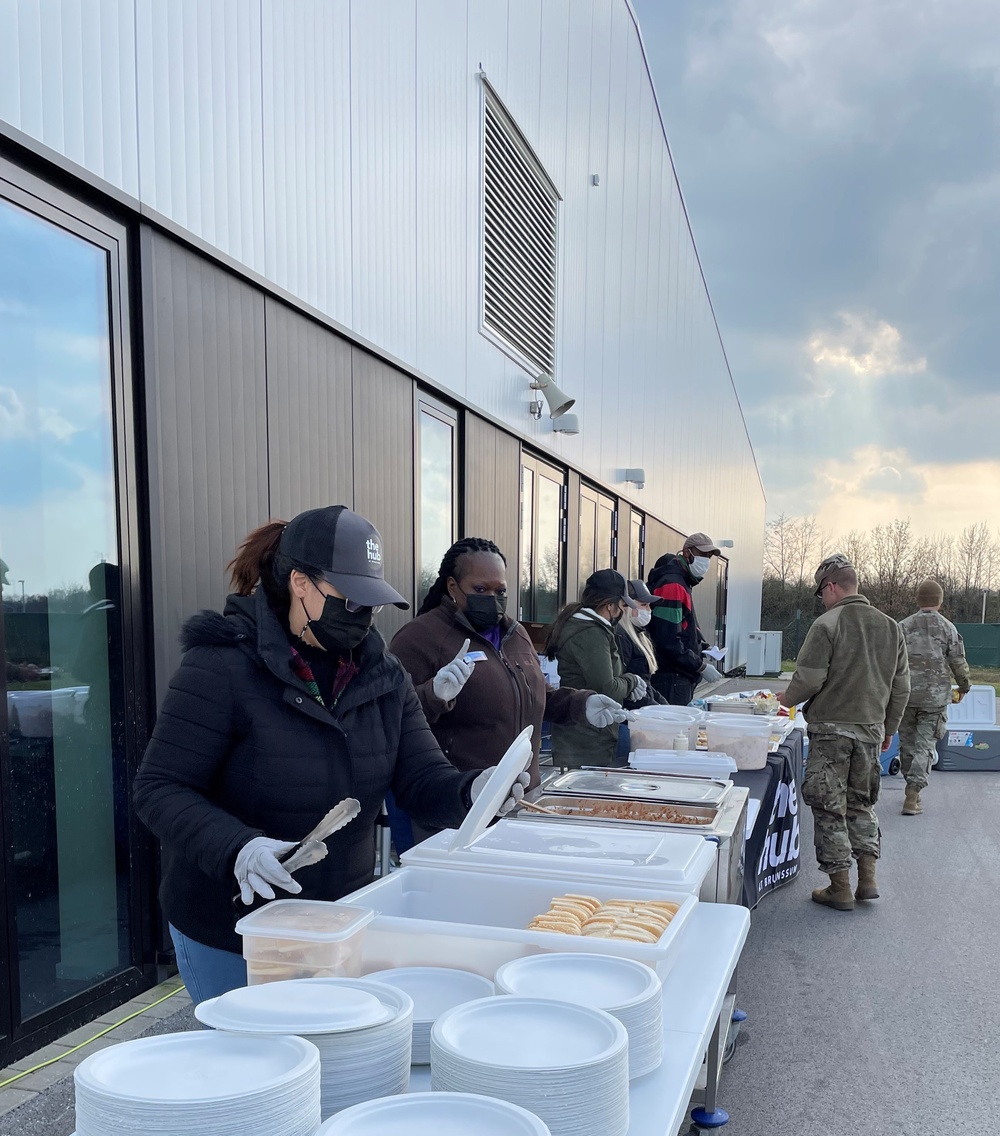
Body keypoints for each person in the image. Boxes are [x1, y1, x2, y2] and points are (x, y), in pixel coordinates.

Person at [133, 507, 528, 1003]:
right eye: (350, 599)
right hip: (233, 927)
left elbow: (422, 780)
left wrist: (473, 790)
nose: (362, 615)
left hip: (337, 917)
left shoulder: (384, 677)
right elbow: (159, 788)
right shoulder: (222, 666)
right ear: (301, 583)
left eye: (372, 602)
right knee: (259, 1064)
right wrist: (239, 847)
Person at [390, 538, 627, 809]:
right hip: (461, 803)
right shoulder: (421, 638)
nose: (492, 599)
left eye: (500, 590)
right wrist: (433, 695)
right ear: (453, 587)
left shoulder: (516, 635)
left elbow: (535, 695)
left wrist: (580, 704)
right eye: (480, 589)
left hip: (524, 799)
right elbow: (392, 718)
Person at [777, 554, 910, 911]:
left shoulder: (827, 624)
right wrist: (889, 729)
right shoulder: (891, 627)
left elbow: (809, 678)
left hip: (831, 733)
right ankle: (868, 880)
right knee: (861, 804)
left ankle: (840, 887)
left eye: (821, 592)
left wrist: (784, 700)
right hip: (870, 731)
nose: (821, 599)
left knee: (828, 806)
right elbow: (901, 688)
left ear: (832, 587)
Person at [544, 570, 644, 768]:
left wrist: (627, 688)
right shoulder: (591, 633)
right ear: (609, 605)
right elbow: (608, 687)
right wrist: (632, 681)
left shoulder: (592, 628)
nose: (622, 612)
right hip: (584, 741)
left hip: (590, 734)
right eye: (622, 606)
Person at [897, 579, 971, 817]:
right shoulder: (947, 628)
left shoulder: (902, 627)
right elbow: (958, 661)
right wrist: (964, 686)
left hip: (905, 695)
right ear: (939, 601)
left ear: (918, 600)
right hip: (935, 699)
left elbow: (888, 662)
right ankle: (913, 794)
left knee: (907, 745)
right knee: (925, 745)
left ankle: (911, 788)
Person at [647, 533, 724, 705]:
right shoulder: (673, 585)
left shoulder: (682, 582)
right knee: (674, 729)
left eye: (709, 556)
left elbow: (684, 626)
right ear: (686, 553)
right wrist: (700, 666)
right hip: (672, 676)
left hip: (676, 675)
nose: (706, 560)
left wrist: (702, 646)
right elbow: (667, 639)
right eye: (702, 554)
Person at [615, 579, 667, 710]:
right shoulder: (621, 637)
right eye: (643, 604)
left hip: (642, 710)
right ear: (626, 606)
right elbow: (623, 686)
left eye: (649, 605)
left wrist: (664, 706)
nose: (649, 610)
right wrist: (657, 710)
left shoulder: (639, 634)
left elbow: (645, 684)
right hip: (631, 716)